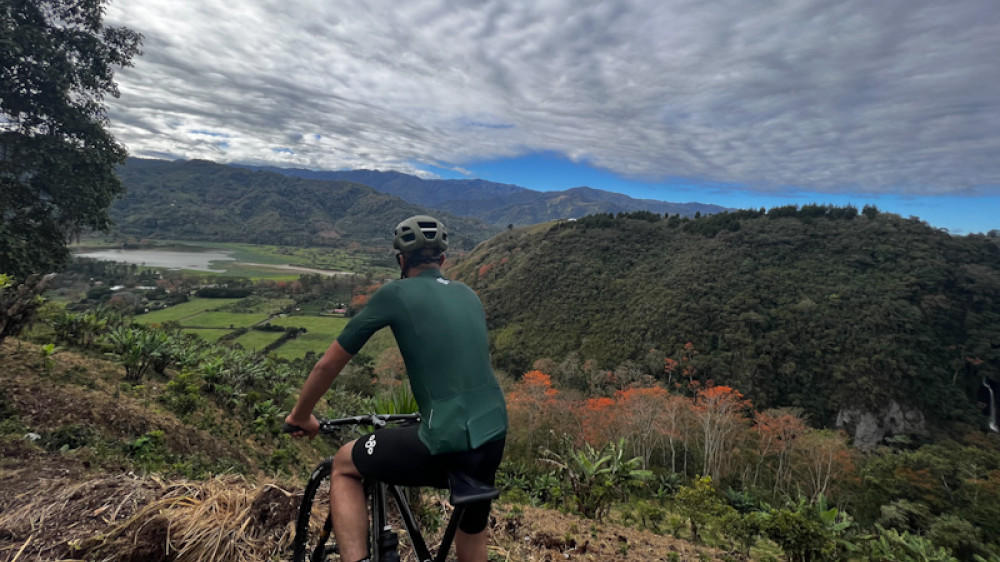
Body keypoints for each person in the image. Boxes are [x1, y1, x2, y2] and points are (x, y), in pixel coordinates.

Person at [285, 215, 508, 562]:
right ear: (443, 260)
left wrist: (301, 415)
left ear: (401, 260)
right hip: (492, 435)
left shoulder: (395, 293)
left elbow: (327, 364)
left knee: (344, 464)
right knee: (473, 535)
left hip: (444, 438)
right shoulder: (469, 294)